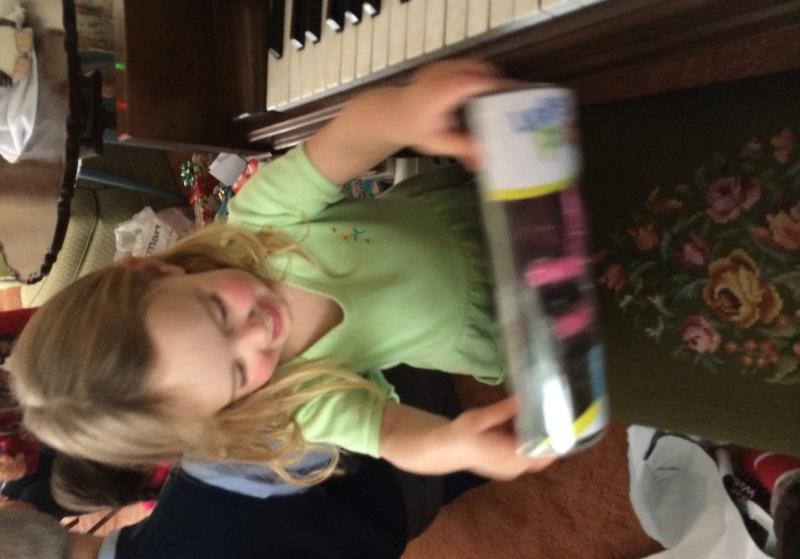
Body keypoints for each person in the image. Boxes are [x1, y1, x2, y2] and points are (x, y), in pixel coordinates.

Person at [10, 59, 554, 483]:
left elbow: (347, 140)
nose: (255, 334)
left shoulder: (259, 223)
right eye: (237, 373)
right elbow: (389, 433)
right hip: (505, 323)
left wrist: (406, 111)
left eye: (218, 311)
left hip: (480, 203)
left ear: (157, 270)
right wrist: (454, 445)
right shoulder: (293, 398)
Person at [0, 366, 487, 559]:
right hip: (390, 483)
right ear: (19, 509)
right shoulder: (212, 477)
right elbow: (320, 380)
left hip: (372, 549)